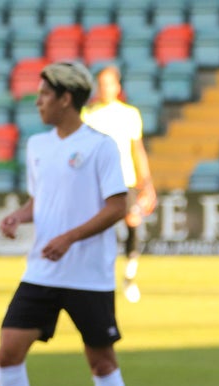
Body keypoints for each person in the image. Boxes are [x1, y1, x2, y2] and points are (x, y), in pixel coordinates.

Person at [0, 61, 130, 386]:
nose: (38, 100)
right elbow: (41, 199)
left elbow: (117, 206)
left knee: (101, 362)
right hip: (43, 270)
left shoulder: (101, 146)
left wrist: (70, 237)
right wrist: (20, 216)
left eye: (45, 93)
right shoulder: (37, 145)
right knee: (8, 351)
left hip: (88, 275)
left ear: (66, 98)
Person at [82, 64, 156, 303]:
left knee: (133, 223)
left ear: (117, 87)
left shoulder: (129, 114)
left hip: (124, 180)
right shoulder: (88, 115)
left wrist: (147, 182)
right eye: (101, 84)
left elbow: (137, 150)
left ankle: (129, 276)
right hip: (95, 183)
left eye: (109, 83)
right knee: (97, 230)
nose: (105, 88)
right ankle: (96, 280)